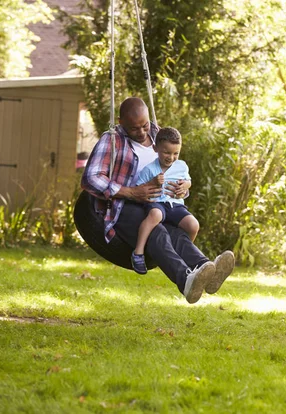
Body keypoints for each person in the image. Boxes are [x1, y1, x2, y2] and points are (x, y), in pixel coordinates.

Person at [81, 97, 234, 304]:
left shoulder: (158, 135)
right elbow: (90, 178)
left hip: (161, 204)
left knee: (177, 233)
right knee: (157, 230)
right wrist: (132, 192)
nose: (143, 132)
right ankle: (185, 280)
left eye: (145, 125)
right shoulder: (112, 140)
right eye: (135, 129)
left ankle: (205, 268)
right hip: (126, 205)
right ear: (121, 122)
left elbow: (175, 170)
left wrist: (181, 190)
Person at [131, 127, 199, 274]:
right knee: (155, 215)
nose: (171, 157)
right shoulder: (149, 169)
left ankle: (181, 256)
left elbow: (188, 181)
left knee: (193, 225)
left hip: (175, 205)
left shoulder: (181, 166)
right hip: (157, 203)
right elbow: (139, 189)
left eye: (176, 153)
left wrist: (185, 186)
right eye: (166, 152)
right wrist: (153, 182)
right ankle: (138, 252)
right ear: (155, 148)